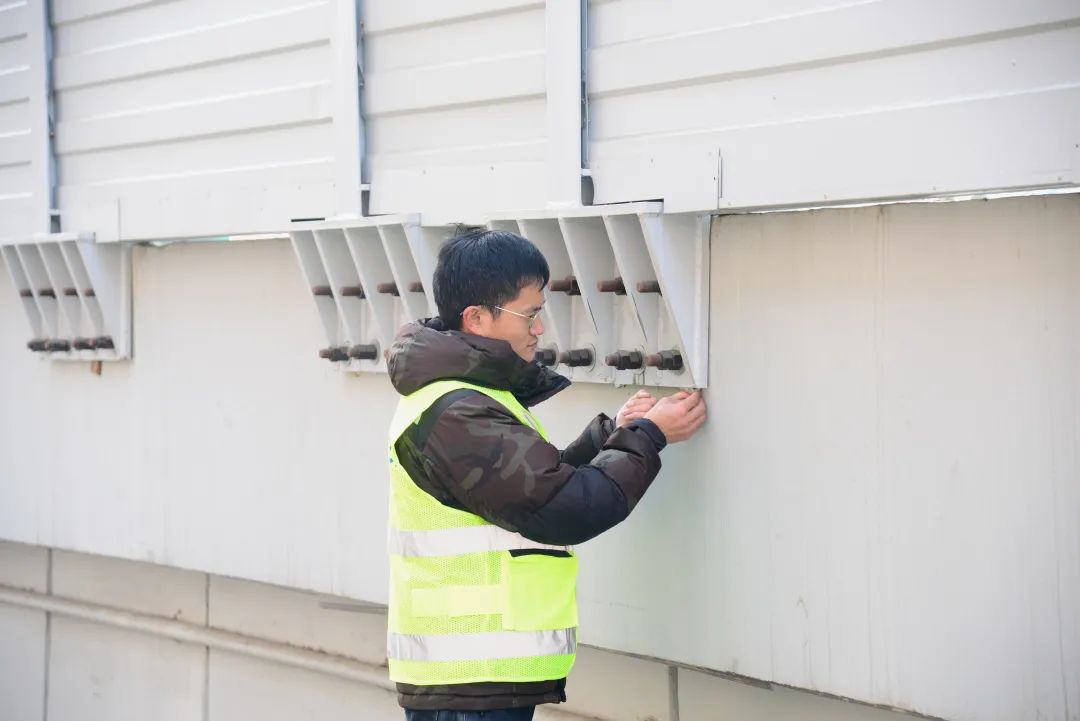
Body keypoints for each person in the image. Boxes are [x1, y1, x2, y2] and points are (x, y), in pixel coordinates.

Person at [385, 229, 707, 721]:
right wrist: (648, 436)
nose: (540, 329)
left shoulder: (465, 397)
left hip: (474, 680)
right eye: (530, 314)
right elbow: (560, 508)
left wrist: (611, 437)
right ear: (477, 318)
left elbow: (526, 486)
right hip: (471, 682)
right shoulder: (456, 411)